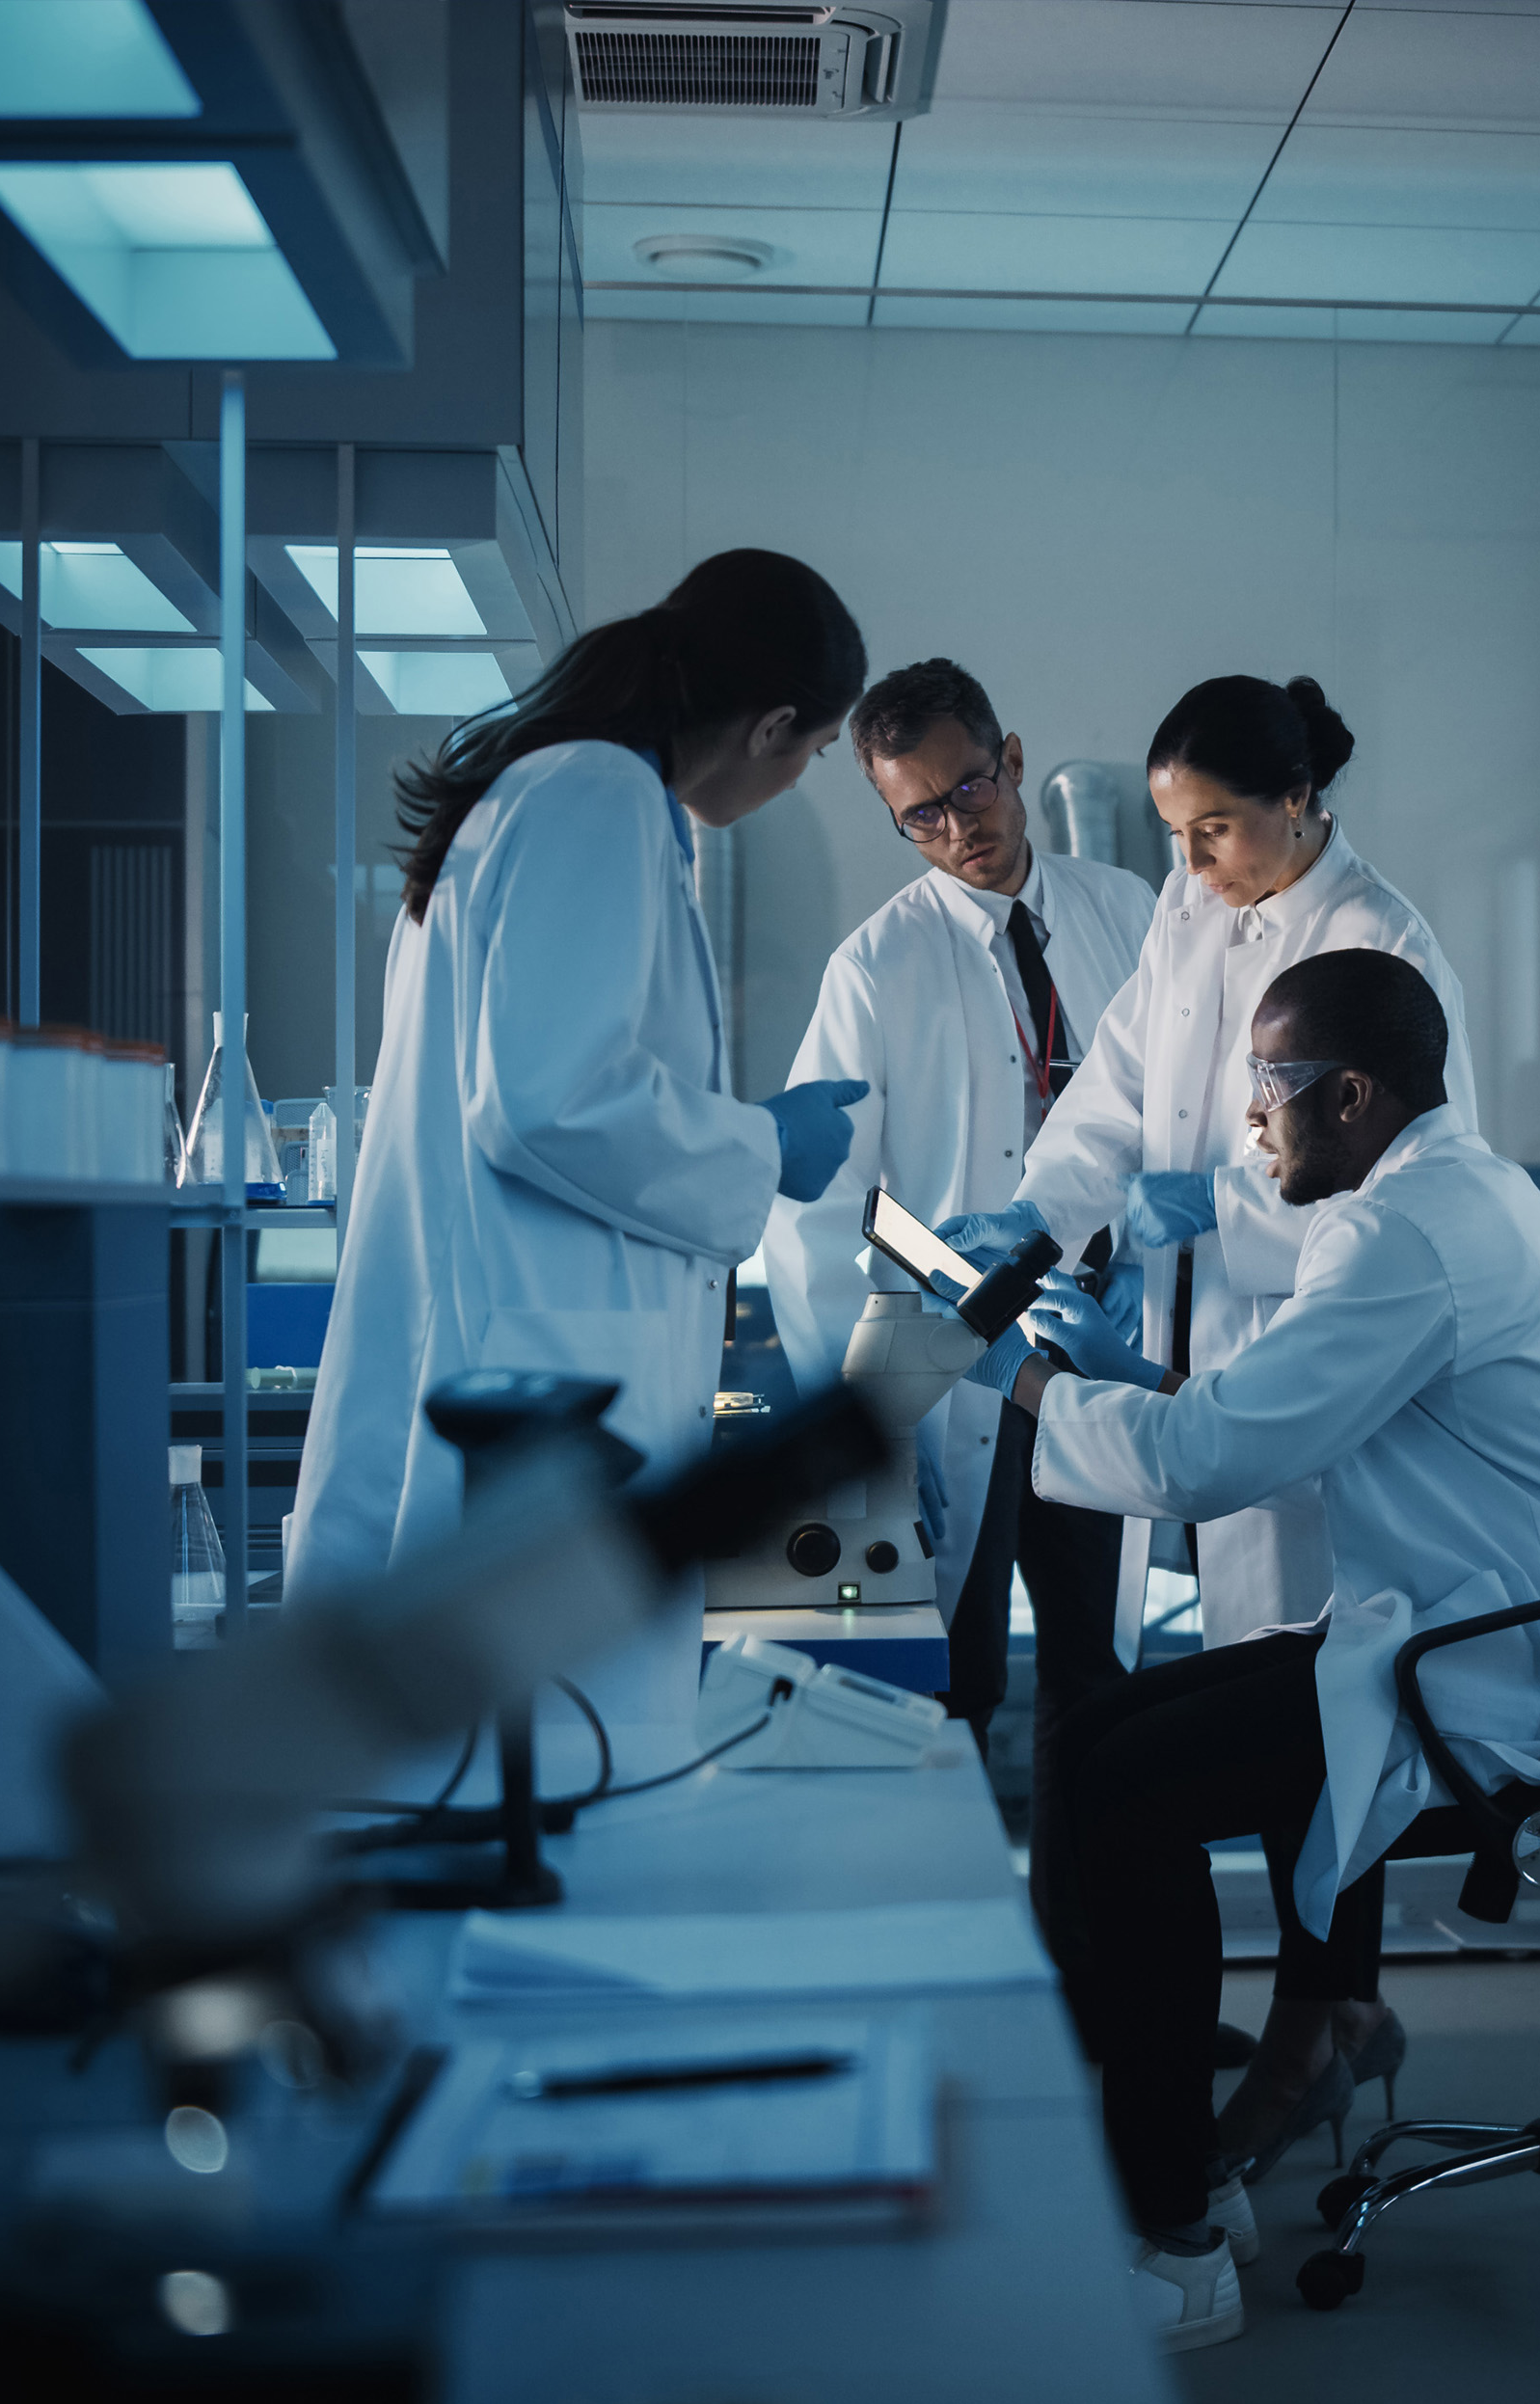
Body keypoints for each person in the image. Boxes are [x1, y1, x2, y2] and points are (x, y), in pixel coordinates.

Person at [971, 947, 1540, 2352]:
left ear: (1350, 1096)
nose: (1248, 1126)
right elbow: (1294, 1421)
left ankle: (1170, 2234)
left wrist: (1032, 1385)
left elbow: (1220, 1461)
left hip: (1513, 1665)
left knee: (1122, 1787)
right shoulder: (1464, 1197)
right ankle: (1189, 2191)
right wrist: (1136, 1380)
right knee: (1107, 1734)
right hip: (1496, 1623)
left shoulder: (1403, 1233)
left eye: (1266, 1091)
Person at [285, 550, 873, 1729]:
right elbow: (550, 1099)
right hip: (541, 1372)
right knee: (544, 1747)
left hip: (524, 1340)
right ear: (770, 726)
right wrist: (765, 1144)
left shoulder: (558, 796)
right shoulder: (595, 798)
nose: (800, 772)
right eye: (813, 751)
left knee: (496, 1748)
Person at [939, 675, 1473, 1658]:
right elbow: (1117, 1085)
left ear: (1297, 797)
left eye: (1214, 829)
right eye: (1175, 832)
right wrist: (1037, 1215)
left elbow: (1417, 1192)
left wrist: (1222, 1208)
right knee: (1208, 1661)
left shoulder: (1381, 941)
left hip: (1299, 1329)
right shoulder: (1191, 905)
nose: (1187, 861)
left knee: (1294, 1660)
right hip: (1182, 1337)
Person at [760, 657, 1151, 1803]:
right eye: (917, 814)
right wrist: (870, 1424)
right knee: (950, 1679)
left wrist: (1146, 1265)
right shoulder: (876, 966)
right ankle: (962, 1955)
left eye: (968, 791)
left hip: (1092, 1346)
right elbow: (820, 1215)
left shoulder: (1124, 913)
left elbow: (1164, 1125)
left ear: (1012, 761)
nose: (953, 828)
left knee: (1097, 1676)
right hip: (949, 1366)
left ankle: (1090, 1968)